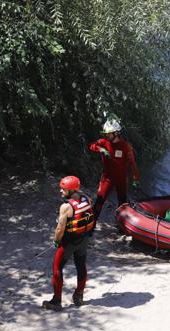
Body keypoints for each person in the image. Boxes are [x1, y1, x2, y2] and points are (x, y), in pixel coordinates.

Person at [42, 176, 95, 311]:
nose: (61, 191)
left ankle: (56, 302)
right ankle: (79, 296)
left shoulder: (66, 206)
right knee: (81, 265)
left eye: (63, 189)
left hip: (69, 242)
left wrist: (56, 241)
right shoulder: (87, 199)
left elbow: (60, 229)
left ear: (71, 190)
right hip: (84, 239)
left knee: (57, 268)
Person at [89, 116, 140, 220]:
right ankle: (91, 223)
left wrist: (135, 179)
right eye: (106, 133)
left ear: (116, 133)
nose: (106, 135)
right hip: (107, 178)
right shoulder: (103, 142)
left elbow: (132, 163)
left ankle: (121, 225)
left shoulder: (125, 146)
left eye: (109, 133)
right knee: (100, 200)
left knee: (123, 203)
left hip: (121, 179)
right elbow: (92, 146)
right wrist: (101, 150)